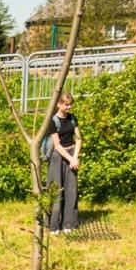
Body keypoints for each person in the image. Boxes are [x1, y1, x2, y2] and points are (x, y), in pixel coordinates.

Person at [45, 93, 81, 234]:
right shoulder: (53, 121)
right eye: (66, 104)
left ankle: (69, 223)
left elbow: (78, 138)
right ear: (59, 104)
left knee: (71, 190)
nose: (69, 106)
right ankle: (53, 225)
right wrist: (70, 159)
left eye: (70, 103)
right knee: (56, 189)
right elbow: (57, 145)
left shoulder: (72, 119)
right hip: (58, 156)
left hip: (72, 154)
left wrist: (75, 157)